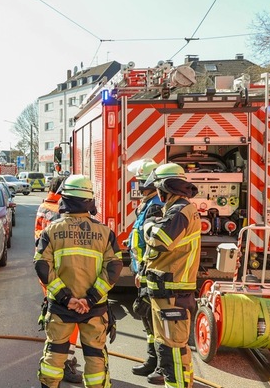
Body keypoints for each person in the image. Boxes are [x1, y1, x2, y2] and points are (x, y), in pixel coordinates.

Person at [34, 175, 122, 388]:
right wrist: (90, 299)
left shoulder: (51, 231)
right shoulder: (105, 232)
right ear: (90, 201)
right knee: (95, 357)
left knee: (55, 354)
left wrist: (66, 298)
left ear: (65, 199)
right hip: (94, 309)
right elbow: (114, 267)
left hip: (61, 308)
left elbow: (42, 266)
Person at [142, 163, 200, 386]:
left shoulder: (179, 211)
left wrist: (149, 224)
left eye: (158, 189)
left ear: (166, 188)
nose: (158, 194)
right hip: (170, 292)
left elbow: (160, 240)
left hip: (173, 293)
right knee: (173, 348)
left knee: (172, 351)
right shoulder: (179, 209)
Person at [33, 175, 82, 384]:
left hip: (46, 272)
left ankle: (54, 358)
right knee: (69, 321)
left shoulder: (44, 206)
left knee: (53, 311)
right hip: (62, 272)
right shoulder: (60, 213)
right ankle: (65, 361)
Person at [125, 159, 164, 378]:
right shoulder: (149, 203)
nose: (138, 186)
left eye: (141, 182)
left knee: (152, 317)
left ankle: (160, 364)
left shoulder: (156, 205)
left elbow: (154, 243)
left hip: (149, 271)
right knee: (147, 316)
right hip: (143, 269)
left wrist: (142, 271)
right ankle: (153, 359)